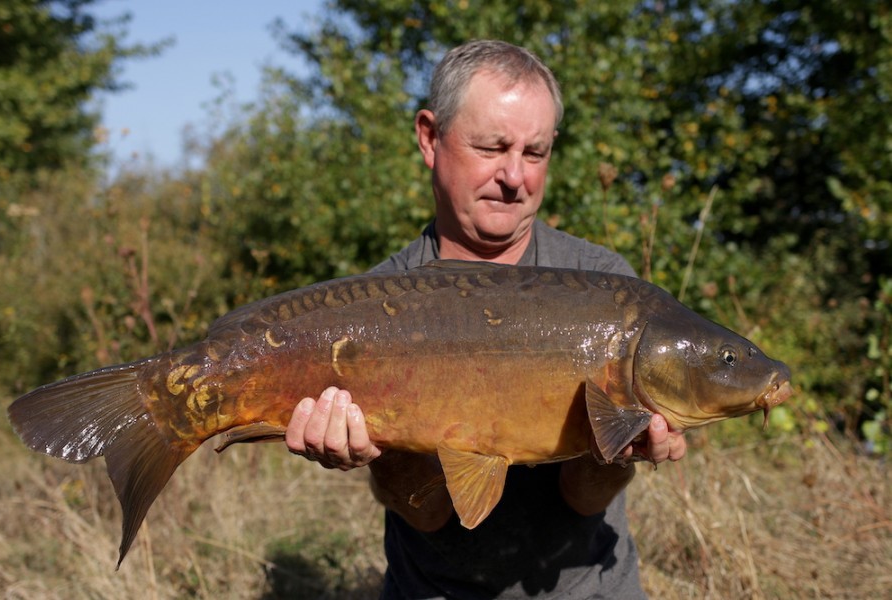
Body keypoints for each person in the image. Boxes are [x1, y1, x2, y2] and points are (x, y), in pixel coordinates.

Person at [285, 40, 687, 599]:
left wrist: (621, 452)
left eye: (536, 152)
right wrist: (379, 455)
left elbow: (584, 500)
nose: (515, 176)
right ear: (430, 137)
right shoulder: (377, 305)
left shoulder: (605, 288)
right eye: (492, 147)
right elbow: (428, 518)